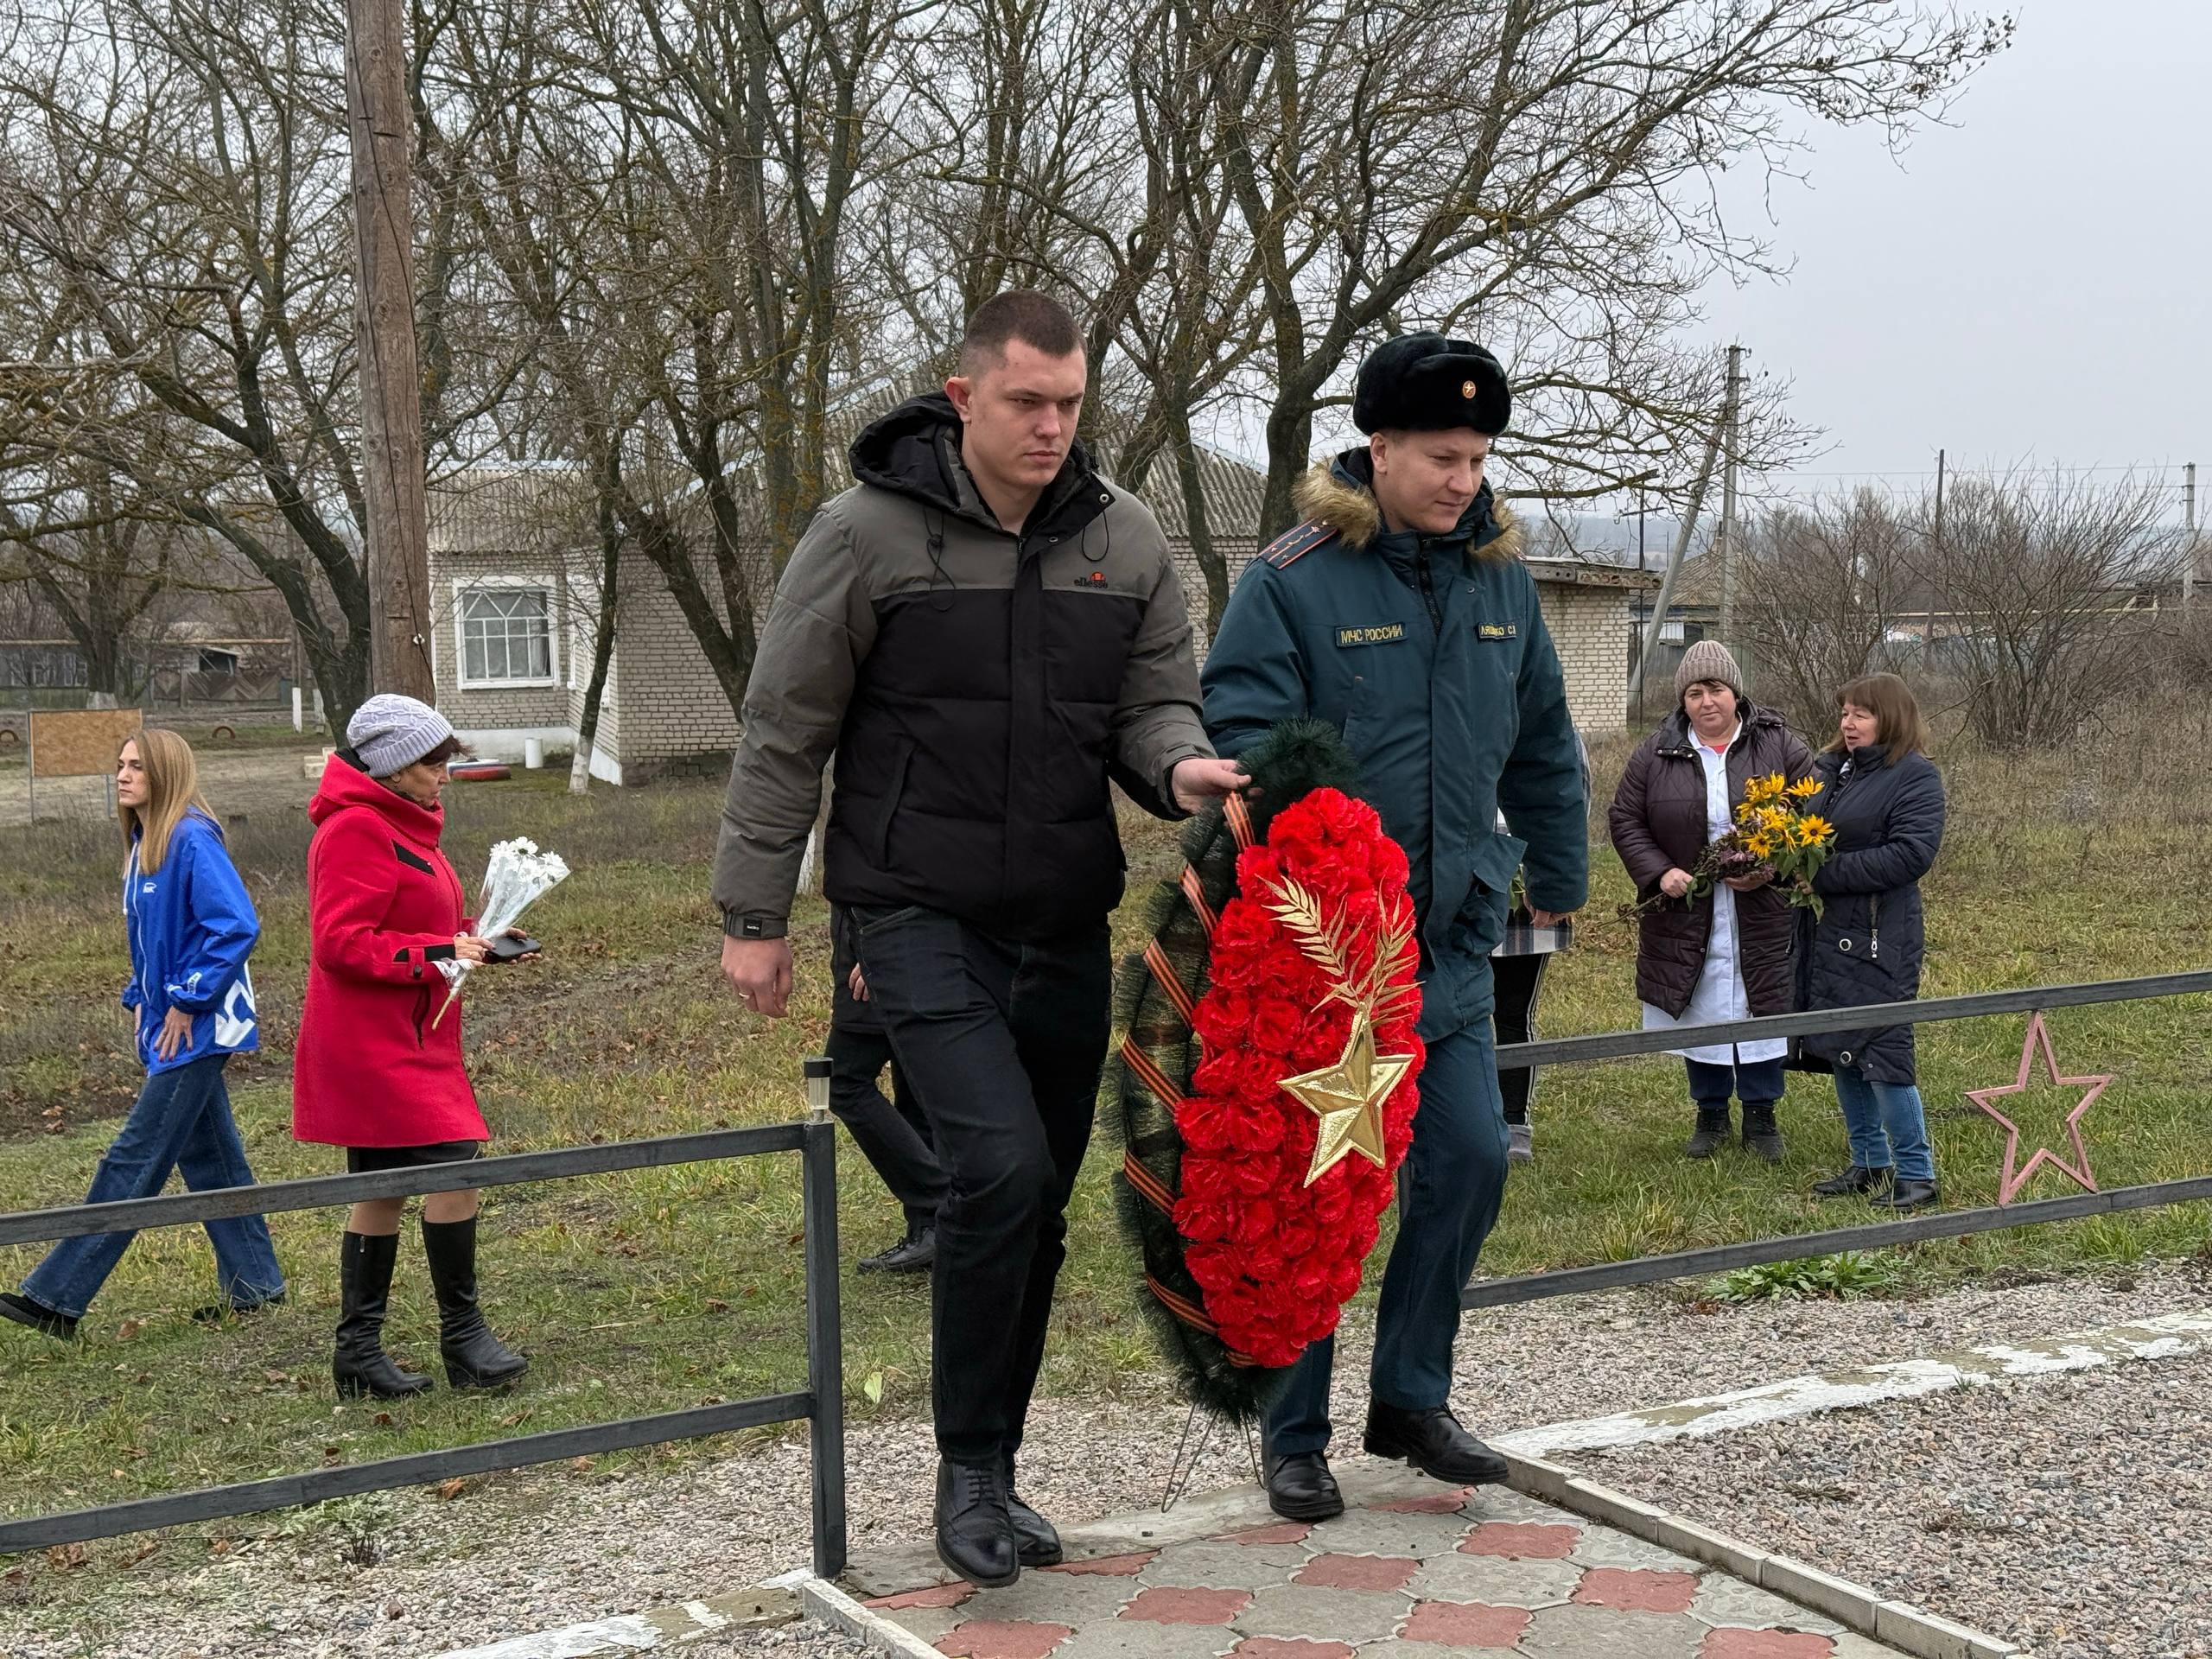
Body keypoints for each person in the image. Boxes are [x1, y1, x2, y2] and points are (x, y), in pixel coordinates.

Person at [713, 290, 1243, 1587]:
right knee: (994, 1172)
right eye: (1027, 403)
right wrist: (755, 915)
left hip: (1061, 915)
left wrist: (1179, 772)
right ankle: (963, 1476)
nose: (1052, 426)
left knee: (1042, 1202)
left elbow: (1154, 705)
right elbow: (787, 726)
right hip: (910, 909)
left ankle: (998, 1470)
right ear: (965, 400)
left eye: (1069, 404)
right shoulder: (865, 535)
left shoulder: (1122, 539)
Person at [1200, 332, 1588, 1522]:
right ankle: (1294, 1433)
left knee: (1469, 1158)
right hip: (1331, 953)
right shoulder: (1294, 579)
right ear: (1379, 448)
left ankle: (1411, 1397)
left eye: (1477, 457)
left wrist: (1558, 868)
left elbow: (1541, 740)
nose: (1464, 478)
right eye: (1440, 455)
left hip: (1456, 934)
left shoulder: (1501, 582)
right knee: (1326, 1181)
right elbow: (1248, 725)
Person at [0, 731, 284, 1342]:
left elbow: (234, 926)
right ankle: (257, 1284)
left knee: (134, 1156)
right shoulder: (143, 843)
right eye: (120, 765)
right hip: (167, 1025)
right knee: (213, 1160)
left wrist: (187, 1000)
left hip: (199, 1028)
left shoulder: (189, 837)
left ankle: (56, 1297)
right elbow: (157, 941)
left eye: (136, 767)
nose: (123, 776)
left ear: (165, 774)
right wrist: (141, 997)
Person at [292, 694, 531, 1399]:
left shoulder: (404, 825)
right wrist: (437, 951)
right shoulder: (356, 830)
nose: (444, 773)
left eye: (445, 758)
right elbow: (340, 944)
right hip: (374, 1045)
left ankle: (359, 1353)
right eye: (432, 761)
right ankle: (463, 1340)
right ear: (393, 766)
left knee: (383, 1188)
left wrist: (473, 943)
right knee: (454, 1169)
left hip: (411, 1035)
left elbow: (413, 917)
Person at [1610, 640, 1813, 1161]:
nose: (1706, 702)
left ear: (1735, 693)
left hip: (1761, 909)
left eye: (1716, 689)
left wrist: (1772, 867)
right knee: (1700, 1008)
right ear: (1684, 701)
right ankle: (1711, 1115)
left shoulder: (1778, 745)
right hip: (1688, 910)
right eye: (1695, 693)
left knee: (1759, 1005)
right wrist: (1661, 873)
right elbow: (1626, 819)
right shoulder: (1656, 752)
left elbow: (1813, 808)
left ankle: (1763, 1117)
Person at [1795, 673, 1947, 1211]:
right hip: (1829, 930)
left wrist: (1822, 874)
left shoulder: (1915, 777)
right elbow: (1802, 833)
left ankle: (1916, 1173)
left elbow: (1911, 856)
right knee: (1843, 1047)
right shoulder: (1831, 770)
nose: (1848, 723)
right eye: (1844, 713)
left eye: (1861, 713)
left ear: (1891, 717)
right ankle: (1868, 1161)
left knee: (1883, 1049)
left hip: (1882, 934)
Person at [829, 906, 945, 1272]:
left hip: (887, 945)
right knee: (914, 1081)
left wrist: (890, 944)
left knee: (844, 1081)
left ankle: (944, 1206)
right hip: (878, 941)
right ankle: (931, 1230)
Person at [1492, 730, 1591, 1164]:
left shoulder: (1553, 729)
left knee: (1513, 1013)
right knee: (1457, 1014)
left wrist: (1549, 876)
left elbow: (1571, 803)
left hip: (1525, 891)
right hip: (1459, 889)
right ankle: (1468, 1120)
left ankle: (1515, 1123)